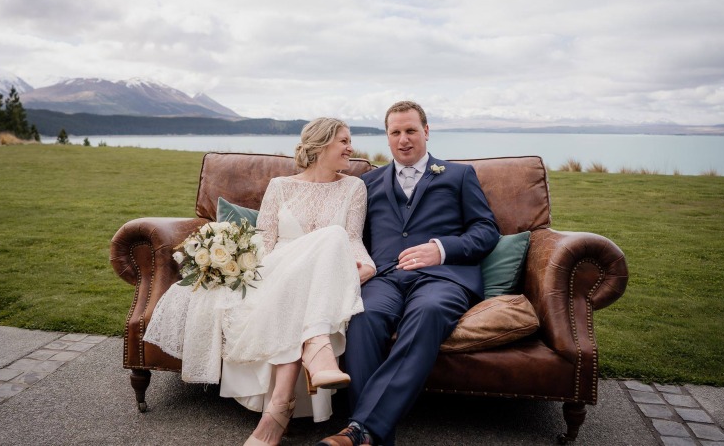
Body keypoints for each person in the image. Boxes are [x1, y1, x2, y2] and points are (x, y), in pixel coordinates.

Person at [143, 117, 376, 446]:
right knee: (311, 263)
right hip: (278, 268)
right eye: (344, 140)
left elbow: (351, 239)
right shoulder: (281, 186)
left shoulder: (354, 186)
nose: (351, 148)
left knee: (333, 238)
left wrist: (366, 267)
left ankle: (277, 410)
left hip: (320, 277)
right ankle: (316, 345)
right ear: (320, 145)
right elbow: (265, 243)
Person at [317, 101, 500, 446]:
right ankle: (369, 436)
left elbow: (486, 230)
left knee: (428, 312)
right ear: (387, 137)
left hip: (442, 278)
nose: (404, 139)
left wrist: (440, 249)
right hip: (384, 278)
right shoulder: (367, 183)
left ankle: (359, 430)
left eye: (411, 130)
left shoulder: (459, 175)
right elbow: (355, 236)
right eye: (396, 132)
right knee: (364, 316)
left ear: (426, 132)